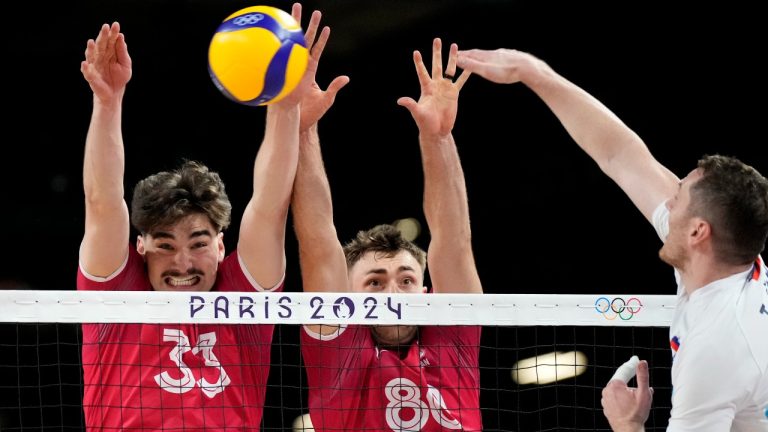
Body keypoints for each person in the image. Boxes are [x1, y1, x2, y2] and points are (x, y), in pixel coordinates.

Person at [456, 48, 768, 431]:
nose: (668, 199)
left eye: (679, 196)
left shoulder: (715, 349)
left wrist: (627, 425)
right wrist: (534, 72)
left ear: (699, 232)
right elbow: (620, 154)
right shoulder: (734, 263)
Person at [76, 4, 329, 430]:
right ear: (139, 246)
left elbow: (269, 207)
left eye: (197, 243)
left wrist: (285, 104)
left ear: (220, 245)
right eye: (165, 245)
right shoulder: (116, 301)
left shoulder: (243, 303)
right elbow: (102, 202)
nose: (182, 264)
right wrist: (107, 101)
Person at [291, 37, 483, 431]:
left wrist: (438, 138)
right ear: (346, 297)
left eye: (407, 280)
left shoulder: (453, 338)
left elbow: (453, 241)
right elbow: (316, 240)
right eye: (375, 283)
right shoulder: (337, 351)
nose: (393, 295)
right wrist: (303, 129)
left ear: (427, 293)